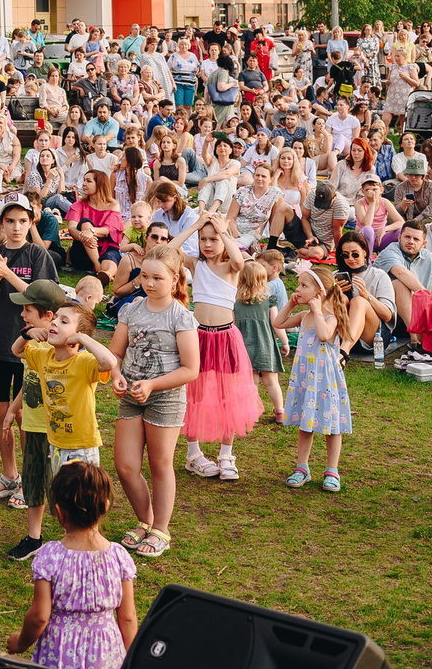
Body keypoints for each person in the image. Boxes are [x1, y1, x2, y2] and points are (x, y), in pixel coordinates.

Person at [6, 281, 117, 562]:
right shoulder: (43, 355)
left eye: (63, 321)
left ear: (78, 334)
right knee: (63, 499)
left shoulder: (84, 362)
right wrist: (30, 331)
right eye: (54, 318)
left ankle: (91, 547)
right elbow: (17, 350)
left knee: (85, 500)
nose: (54, 323)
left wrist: (84, 340)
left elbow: (109, 362)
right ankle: (72, 543)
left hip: (81, 445)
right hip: (56, 443)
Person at [2, 460, 137, 669]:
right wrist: (132, 663)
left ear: (58, 512)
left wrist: (20, 643)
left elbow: (40, 617)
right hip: (106, 654)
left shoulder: (50, 556)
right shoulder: (119, 556)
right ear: (105, 506)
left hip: (60, 652)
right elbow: (128, 617)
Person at [104, 248, 197, 556]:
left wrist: (153, 384)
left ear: (174, 279)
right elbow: (115, 353)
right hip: (131, 396)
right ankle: (145, 520)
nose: (149, 283)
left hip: (165, 399)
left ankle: (161, 529)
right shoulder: (131, 309)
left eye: (158, 277)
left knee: (160, 464)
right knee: (126, 466)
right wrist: (116, 374)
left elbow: (190, 369)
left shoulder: (181, 316)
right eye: (145, 276)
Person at [0, 199, 56, 507]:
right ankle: (10, 475)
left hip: (29, 347)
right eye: (10, 221)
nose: (16, 227)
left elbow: (41, 299)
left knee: (24, 415)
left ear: (30, 223)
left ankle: (30, 479)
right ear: (2, 224)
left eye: (22, 221)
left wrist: (7, 274)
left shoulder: (38, 254)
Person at [180, 221, 261, 483]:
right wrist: (193, 228)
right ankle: (193, 454)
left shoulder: (230, 268)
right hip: (199, 336)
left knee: (229, 396)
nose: (207, 245)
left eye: (212, 240)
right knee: (195, 394)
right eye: (203, 240)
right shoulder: (196, 264)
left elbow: (239, 262)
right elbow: (169, 251)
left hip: (225, 337)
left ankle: (226, 455)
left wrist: (223, 231)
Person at [281, 261, 361, 494]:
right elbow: (278, 323)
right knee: (305, 423)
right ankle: (302, 467)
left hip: (325, 380)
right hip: (306, 379)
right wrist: (290, 303)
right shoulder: (304, 315)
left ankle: (331, 470)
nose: (298, 289)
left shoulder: (330, 317)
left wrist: (317, 311)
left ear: (318, 293)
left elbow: (325, 336)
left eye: (302, 286)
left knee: (331, 426)